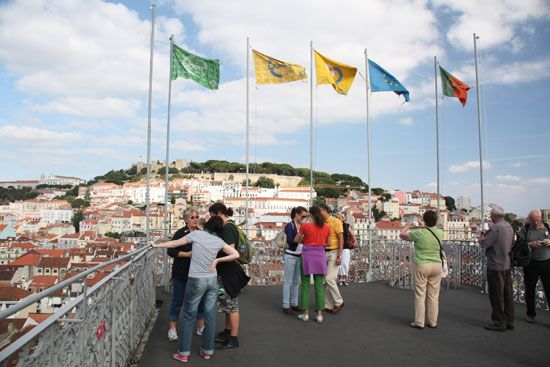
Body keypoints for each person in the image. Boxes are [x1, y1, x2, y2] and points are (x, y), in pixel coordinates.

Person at [153, 216, 240, 363]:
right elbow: (235, 254)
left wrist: (155, 245)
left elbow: (174, 244)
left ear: (206, 225)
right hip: (212, 280)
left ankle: (184, 353)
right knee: (210, 316)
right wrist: (217, 260)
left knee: (189, 315)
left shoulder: (196, 235)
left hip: (196, 280)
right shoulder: (219, 241)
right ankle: (207, 351)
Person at [209, 202, 250, 350]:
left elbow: (231, 252)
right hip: (229, 272)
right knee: (227, 304)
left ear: (218, 213)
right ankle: (227, 332)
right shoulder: (231, 225)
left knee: (232, 306)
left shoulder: (227, 228)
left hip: (229, 272)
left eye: (213, 216)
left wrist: (216, 257)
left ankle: (233, 339)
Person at [400, 210, 444, 329]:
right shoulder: (440, 233)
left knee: (420, 294)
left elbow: (402, 235)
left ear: (424, 220)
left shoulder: (419, 232)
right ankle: (433, 321)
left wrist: (408, 226)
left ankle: (419, 322)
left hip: (422, 264)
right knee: (433, 296)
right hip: (437, 265)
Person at [166, 208, 205, 341]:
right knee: (177, 301)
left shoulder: (202, 233)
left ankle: (201, 327)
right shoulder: (180, 233)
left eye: (197, 217)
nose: (196, 219)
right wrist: (187, 254)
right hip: (182, 272)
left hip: (198, 273)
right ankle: (172, 329)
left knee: (201, 302)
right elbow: (171, 251)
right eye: (193, 217)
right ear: (186, 219)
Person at [478, 206, 515, 331]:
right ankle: (509, 320)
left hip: (495, 265)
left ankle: (499, 322)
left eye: (491, 215)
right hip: (507, 263)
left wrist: (480, 237)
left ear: (494, 216)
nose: (490, 217)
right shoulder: (509, 227)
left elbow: (485, 243)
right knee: (507, 294)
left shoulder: (495, 228)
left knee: (496, 295)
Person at [294, 205, 330, 323]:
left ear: (311, 215)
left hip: (307, 256)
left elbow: (296, 240)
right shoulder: (326, 227)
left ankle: (305, 314)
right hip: (320, 255)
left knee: (305, 285)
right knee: (319, 285)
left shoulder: (305, 226)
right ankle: (320, 314)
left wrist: (306, 241)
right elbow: (328, 243)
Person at [518, 209, 550, 324]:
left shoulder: (547, 227)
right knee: (530, 290)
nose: (536, 223)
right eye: (533, 220)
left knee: (549, 290)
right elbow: (519, 244)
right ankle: (530, 314)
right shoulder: (525, 229)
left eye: (537, 220)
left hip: (546, 263)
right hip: (531, 264)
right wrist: (530, 244)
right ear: (529, 219)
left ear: (540, 218)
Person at [319, 204, 345, 313]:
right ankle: (328, 305)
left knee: (329, 278)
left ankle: (339, 301)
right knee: (326, 280)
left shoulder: (336, 221)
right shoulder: (321, 223)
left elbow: (341, 239)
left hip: (334, 252)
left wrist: (339, 256)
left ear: (324, 211)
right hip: (323, 252)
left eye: (319, 211)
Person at [282, 206, 308, 314]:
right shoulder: (290, 226)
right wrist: (302, 240)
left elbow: (300, 239)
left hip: (300, 255)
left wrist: (300, 240)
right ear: (296, 214)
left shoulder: (302, 226)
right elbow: (292, 240)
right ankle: (286, 305)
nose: (304, 218)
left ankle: (294, 303)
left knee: (297, 281)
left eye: (305, 216)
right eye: (303, 216)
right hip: (291, 254)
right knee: (288, 280)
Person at [336, 213, 356, 286]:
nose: (337, 219)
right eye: (337, 217)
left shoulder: (346, 226)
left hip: (346, 246)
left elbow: (353, 235)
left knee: (345, 263)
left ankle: (345, 278)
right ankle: (340, 278)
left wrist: (354, 242)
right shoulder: (335, 226)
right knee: (339, 264)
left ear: (343, 218)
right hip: (337, 247)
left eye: (339, 218)